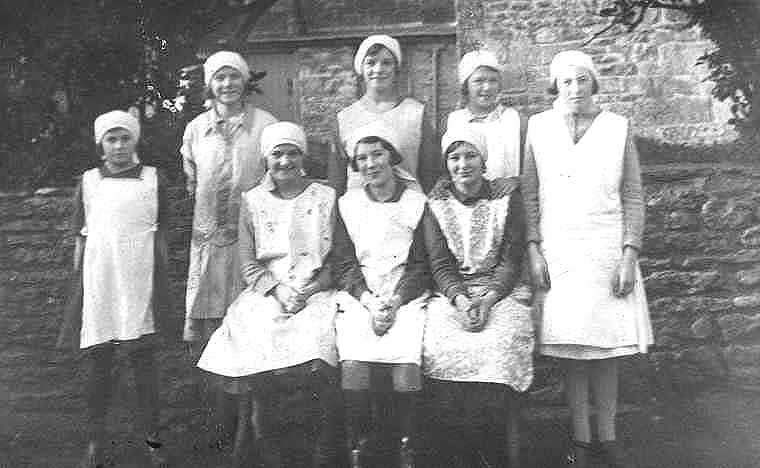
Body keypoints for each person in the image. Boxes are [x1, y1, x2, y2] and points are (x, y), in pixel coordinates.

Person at [522, 50, 653, 468]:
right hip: (558, 250)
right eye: (565, 82)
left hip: (606, 249)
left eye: (581, 81)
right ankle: (581, 437)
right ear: (555, 87)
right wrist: (533, 248)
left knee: (606, 350)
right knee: (573, 351)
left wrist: (629, 254)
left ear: (594, 84)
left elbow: (633, 193)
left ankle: (608, 436)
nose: (574, 89)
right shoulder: (539, 128)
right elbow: (528, 193)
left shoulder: (617, 128)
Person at [197, 122, 340, 468]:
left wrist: (309, 290)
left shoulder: (325, 197)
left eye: (292, 153)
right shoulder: (253, 200)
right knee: (252, 333)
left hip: (316, 290)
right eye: (277, 154)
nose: (285, 161)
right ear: (266, 159)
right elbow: (248, 265)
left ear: (302, 157)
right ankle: (263, 434)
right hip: (268, 291)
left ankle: (320, 442)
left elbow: (337, 258)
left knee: (320, 338)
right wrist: (277, 291)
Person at [332, 121, 461, 468]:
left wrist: (395, 300)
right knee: (355, 361)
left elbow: (422, 265)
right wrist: (369, 299)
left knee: (405, 366)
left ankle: (408, 449)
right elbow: (343, 263)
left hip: (405, 294)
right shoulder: (347, 204)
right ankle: (359, 447)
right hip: (361, 296)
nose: (370, 164)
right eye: (362, 158)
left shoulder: (418, 204)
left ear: (392, 157)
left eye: (377, 154)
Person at [58, 110, 171, 468]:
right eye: (112, 139)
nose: (119, 146)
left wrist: (160, 287)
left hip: (139, 284)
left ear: (135, 140)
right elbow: (81, 238)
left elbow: (162, 237)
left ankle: (154, 442)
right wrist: (83, 291)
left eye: (125, 138)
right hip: (100, 286)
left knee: (145, 368)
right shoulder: (89, 182)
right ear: (101, 145)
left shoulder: (154, 180)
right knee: (98, 370)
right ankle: (95, 443)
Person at [181, 50, 277, 447]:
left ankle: (247, 425)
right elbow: (193, 184)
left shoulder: (265, 125)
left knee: (246, 328)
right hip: (207, 246)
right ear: (210, 84)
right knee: (210, 332)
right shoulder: (195, 129)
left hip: (247, 245)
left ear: (244, 81)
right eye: (219, 78)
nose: (227, 85)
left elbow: (275, 180)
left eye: (233, 77)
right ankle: (217, 420)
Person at [422, 125, 534, 467]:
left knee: (499, 345)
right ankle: (460, 448)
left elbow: (512, 258)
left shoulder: (505, 198)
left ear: (483, 160)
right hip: (452, 295)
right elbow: (439, 262)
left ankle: (494, 448)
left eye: (470, 155)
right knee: (438, 343)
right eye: (454, 157)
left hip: (501, 293)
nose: (462, 164)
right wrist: (460, 299)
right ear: (446, 163)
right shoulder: (435, 204)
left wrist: (486, 300)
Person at [329, 34, 440, 194]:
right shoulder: (344, 118)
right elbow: (336, 182)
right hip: (357, 212)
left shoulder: (415, 113)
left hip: (407, 209)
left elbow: (430, 174)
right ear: (361, 68)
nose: (378, 69)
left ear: (396, 68)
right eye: (371, 63)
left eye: (387, 63)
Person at [445, 49, 524, 179]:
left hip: (508, 197)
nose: (487, 87)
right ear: (466, 86)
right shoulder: (452, 121)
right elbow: (442, 171)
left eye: (493, 81)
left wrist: (515, 181)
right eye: (479, 81)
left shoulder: (516, 120)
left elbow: (529, 172)